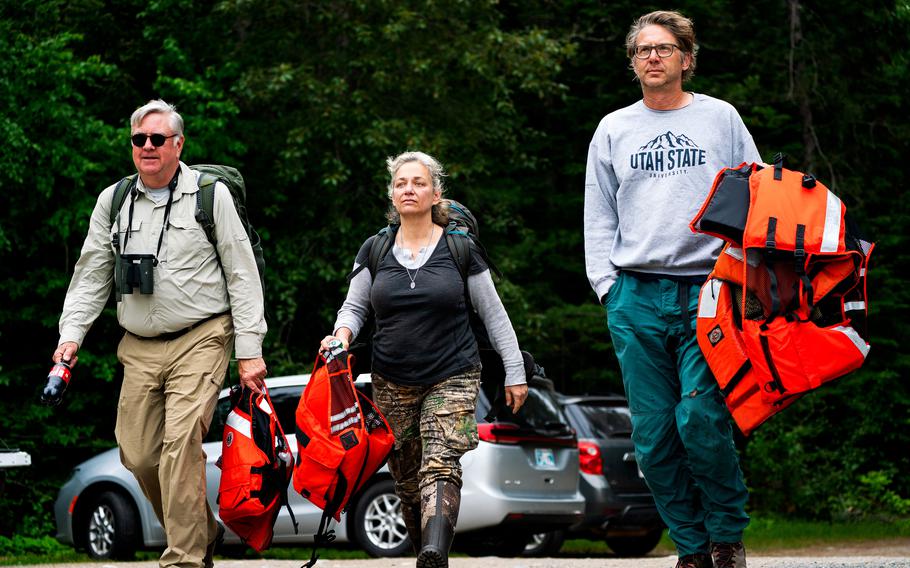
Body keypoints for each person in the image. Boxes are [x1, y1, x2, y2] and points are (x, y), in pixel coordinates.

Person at [53, 100, 267, 568]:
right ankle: (201, 531)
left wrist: (249, 351)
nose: (147, 147)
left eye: (157, 139)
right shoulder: (113, 200)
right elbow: (91, 275)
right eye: (139, 139)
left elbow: (242, 275)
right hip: (139, 346)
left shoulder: (210, 196)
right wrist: (71, 338)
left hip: (202, 336)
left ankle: (184, 559)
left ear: (178, 144)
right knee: (139, 455)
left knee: (179, 447)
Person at [584, 11, 759, 568]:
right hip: (634, 295)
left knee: (700, 419)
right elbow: (598, 215)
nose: (653, 57)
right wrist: (607, 288)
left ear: (687, 58)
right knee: (655, 438)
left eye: (664, 48)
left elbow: (757, 196)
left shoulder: (720, 118)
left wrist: (745, 275)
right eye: (643, 50)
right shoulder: (614, 127)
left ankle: (726, 534)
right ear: (633, 63)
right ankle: (691, 548)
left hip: (710, 290)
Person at [321, 151, 528, 568]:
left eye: (418, 182)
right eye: (401, 183)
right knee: (407, 481)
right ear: (392, 195)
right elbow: (355, 308)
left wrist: (515, 370)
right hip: (391, 380)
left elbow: (493, 313)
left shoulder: (460, 249)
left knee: (442, 463)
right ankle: (425, 554)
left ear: (436, 193)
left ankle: (435, 553)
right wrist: (340, 336)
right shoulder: (375, 249)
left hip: (454, 372)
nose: (409, 189)